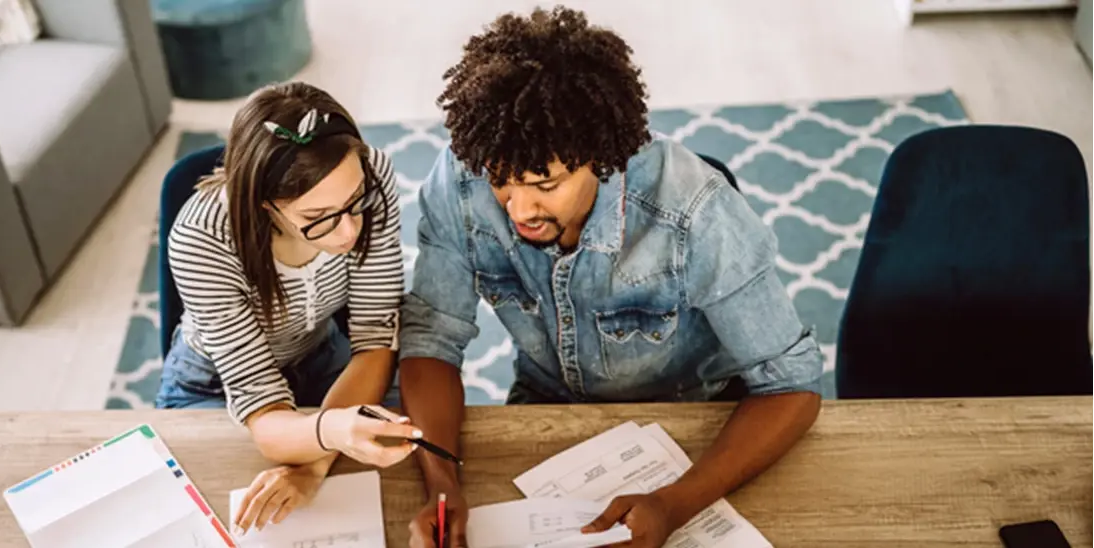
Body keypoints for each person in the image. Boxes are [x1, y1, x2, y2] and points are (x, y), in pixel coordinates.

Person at [399, 7, 823, 547]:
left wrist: (673, 505)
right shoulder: (461, 181)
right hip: (543, 406)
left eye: (544, 184)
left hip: (692, 417)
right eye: (501, 182)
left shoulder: (696, 213)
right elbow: (432, 337)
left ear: (600, 159)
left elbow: (792, 384)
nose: (518, 208)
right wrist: (441, 486)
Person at [155, 82, 422, 534]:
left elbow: (376, 337)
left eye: (355, 203)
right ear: (264, 206)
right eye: (319, 218)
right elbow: (263, 410)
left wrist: (313, 467)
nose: (348, 232)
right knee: (211, 513)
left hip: (323, 353)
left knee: (408, 467)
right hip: (213, 382)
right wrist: (333, 433)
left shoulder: (371, 173)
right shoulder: (201, 240)